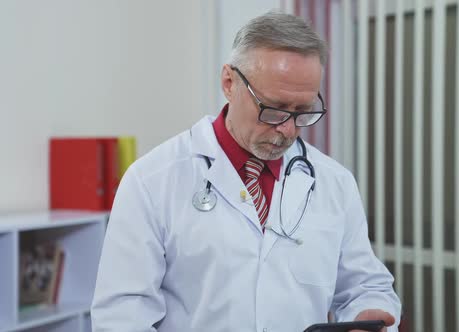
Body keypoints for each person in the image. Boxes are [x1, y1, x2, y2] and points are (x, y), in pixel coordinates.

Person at [91, 11, 401, 332]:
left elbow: (366, 286)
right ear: (229, 83)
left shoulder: (335, 182)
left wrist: (369, 315)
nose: (287, 129)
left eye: (302, 111)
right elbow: (122, 316)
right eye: (273, 109)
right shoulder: (152, 180)